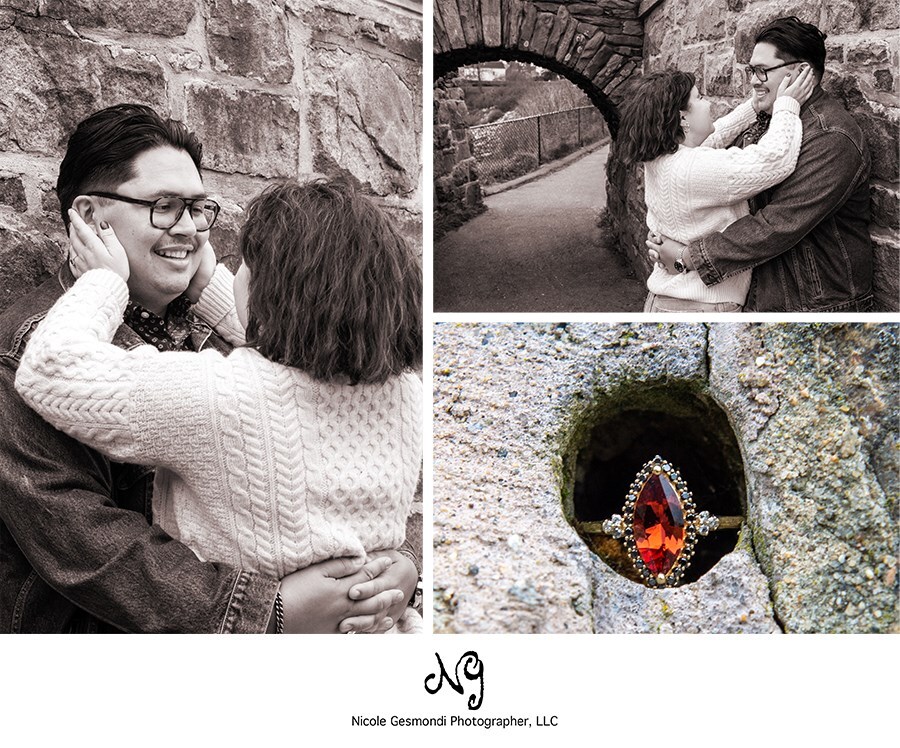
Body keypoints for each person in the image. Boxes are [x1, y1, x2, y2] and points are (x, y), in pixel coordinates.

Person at [0, 104, 416, 633]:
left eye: (198, 208)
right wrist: (269, 612)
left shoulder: (240, 342)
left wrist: (402, 569)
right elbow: (91, 550)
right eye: (165, 206)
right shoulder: (24, 349)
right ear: (88, 217)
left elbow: (307, 359)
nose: (191, 229)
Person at [647, 17, 874, 312]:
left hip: (813, 306)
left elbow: (778, 224)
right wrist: (668, 230)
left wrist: (689, 256)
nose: (754, 81)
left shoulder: (831, 136)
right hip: (767, 297)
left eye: (763, 71)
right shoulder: (773, 120)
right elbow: (697, 166)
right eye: (752, 70)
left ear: (801, 72)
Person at [617, 65, 814, 312]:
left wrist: (754, 106)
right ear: (682, 118)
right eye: (700, 98)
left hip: (669, 302)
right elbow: (776, 160)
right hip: (700, 308)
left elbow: (714, 137)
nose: (708, 103)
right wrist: (787, 105)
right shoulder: (693, 169)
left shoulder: (662, 159)